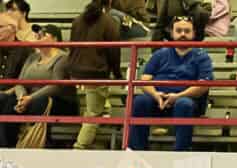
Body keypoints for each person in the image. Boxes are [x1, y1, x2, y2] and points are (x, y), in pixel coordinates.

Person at [127, 15, 213, 152]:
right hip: (159, 101)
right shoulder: (160, 54)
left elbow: (203, 85)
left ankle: (180, 152)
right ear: (172, 33)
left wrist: (178, 96)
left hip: (187, 103)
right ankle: (137, 151)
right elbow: (144, 80)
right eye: (178, 31)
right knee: (139, 101)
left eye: (187, 31)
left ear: (194, 33)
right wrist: (156, 94)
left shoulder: (202, 56)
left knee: (183, 104)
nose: (182, 34)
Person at [0, 24, 76, 148]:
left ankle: (31, 143)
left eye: (43, 34)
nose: (38, 35)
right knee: (7, 102)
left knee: (39, 102)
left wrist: (30, 98)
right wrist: (22, 97)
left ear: (55, 39)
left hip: (58, 101)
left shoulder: (62, 58)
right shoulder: (32, 57)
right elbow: (20, 82)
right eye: (37, 34)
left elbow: (56, 86)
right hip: (29, 99)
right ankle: (7, 146)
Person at [69, 0, 122, 150]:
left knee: (96, 102)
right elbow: (114, 52)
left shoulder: (78, 19)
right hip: (94, 72)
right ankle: (80, 147)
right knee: (93, 113)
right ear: (110, 2)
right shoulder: (109, 22)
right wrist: (117, 74)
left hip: (74, 71)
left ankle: (105, 110)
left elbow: (72, 46)